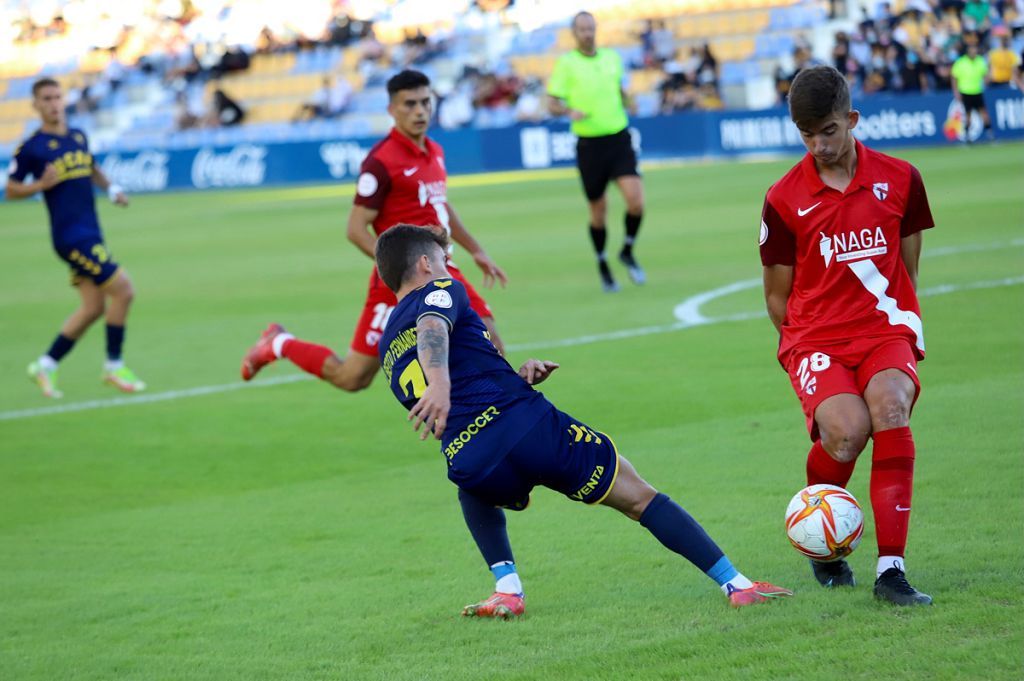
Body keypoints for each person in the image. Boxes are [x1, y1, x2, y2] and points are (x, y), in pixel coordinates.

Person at [373, 224, 793, 616]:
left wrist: (513, 377)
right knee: (640, 497)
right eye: (443, 261)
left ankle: (508, 588)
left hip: (474, 459)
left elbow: (465, 381)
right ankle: (737, 585)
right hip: (527, 429)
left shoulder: (387, 344)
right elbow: (433, 325)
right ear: (426, 264)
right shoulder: (441, 290)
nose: (447, 269)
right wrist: (441, 384)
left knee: (470, 488)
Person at [759, 65, 934, 606]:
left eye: (828, 131)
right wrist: (802, 349)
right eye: (807, 135)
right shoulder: (784, 198)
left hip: (882, 328)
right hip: (814, 337)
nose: (818, 145)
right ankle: (825, 547)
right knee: (846, 431)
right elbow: (776, 296)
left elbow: (908, 263)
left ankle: (891, 572)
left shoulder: (901, 178)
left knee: (889, 409)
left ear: (851, 119)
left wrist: (893, 323)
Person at [241, 70, 507, 392]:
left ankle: (489, 426)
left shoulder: (435, 151)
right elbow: (355, 228)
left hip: (441, 269)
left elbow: (440, 205)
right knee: (352, 377)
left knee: (490, 341)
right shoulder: (380, 162)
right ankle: (278, 343)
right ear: (392, 109)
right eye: (410, 104)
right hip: (396, 280)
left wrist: (476, 249)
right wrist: (400, 268)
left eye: (425, 102)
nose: (420, 111)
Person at [5, 78, 145, 398]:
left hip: (91, 232)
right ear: (36, 105)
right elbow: (11, 189)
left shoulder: (79, 136)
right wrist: (39, 186)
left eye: (57, 97)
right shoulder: (32, 147)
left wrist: (112, 188)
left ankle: (46, 365)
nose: (54, 103)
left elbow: (91, 167)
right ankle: (114, 366)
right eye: (47, 99)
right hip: (71, 237)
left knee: (93, 307)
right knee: (124, 291)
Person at [546, 11, 646, 293]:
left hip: (619, 137)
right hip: (589, 144)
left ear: (595, 29)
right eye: (582, 29)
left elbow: (620, 90)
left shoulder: (612, 58)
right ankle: (602, 262)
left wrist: (629, 101)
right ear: (574, 33)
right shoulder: (566, 64)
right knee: (598, 210)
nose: (587, 33)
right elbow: (551, 102)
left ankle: (627, 250)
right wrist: (567, 110)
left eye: (590, 28)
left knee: (636, 201)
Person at [951, 40, 994, 141]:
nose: (974, 51)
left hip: (977, 91)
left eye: (975, 49)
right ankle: (967, 136)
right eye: (972, 50)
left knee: (984, 113)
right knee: (968, 115)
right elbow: (954, 78)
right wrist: (956, 92)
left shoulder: (980, 61)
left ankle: (990, 133)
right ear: (968, 51)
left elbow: (985, 76)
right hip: (965, 91)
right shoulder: (961, 62)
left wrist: (988, 78)